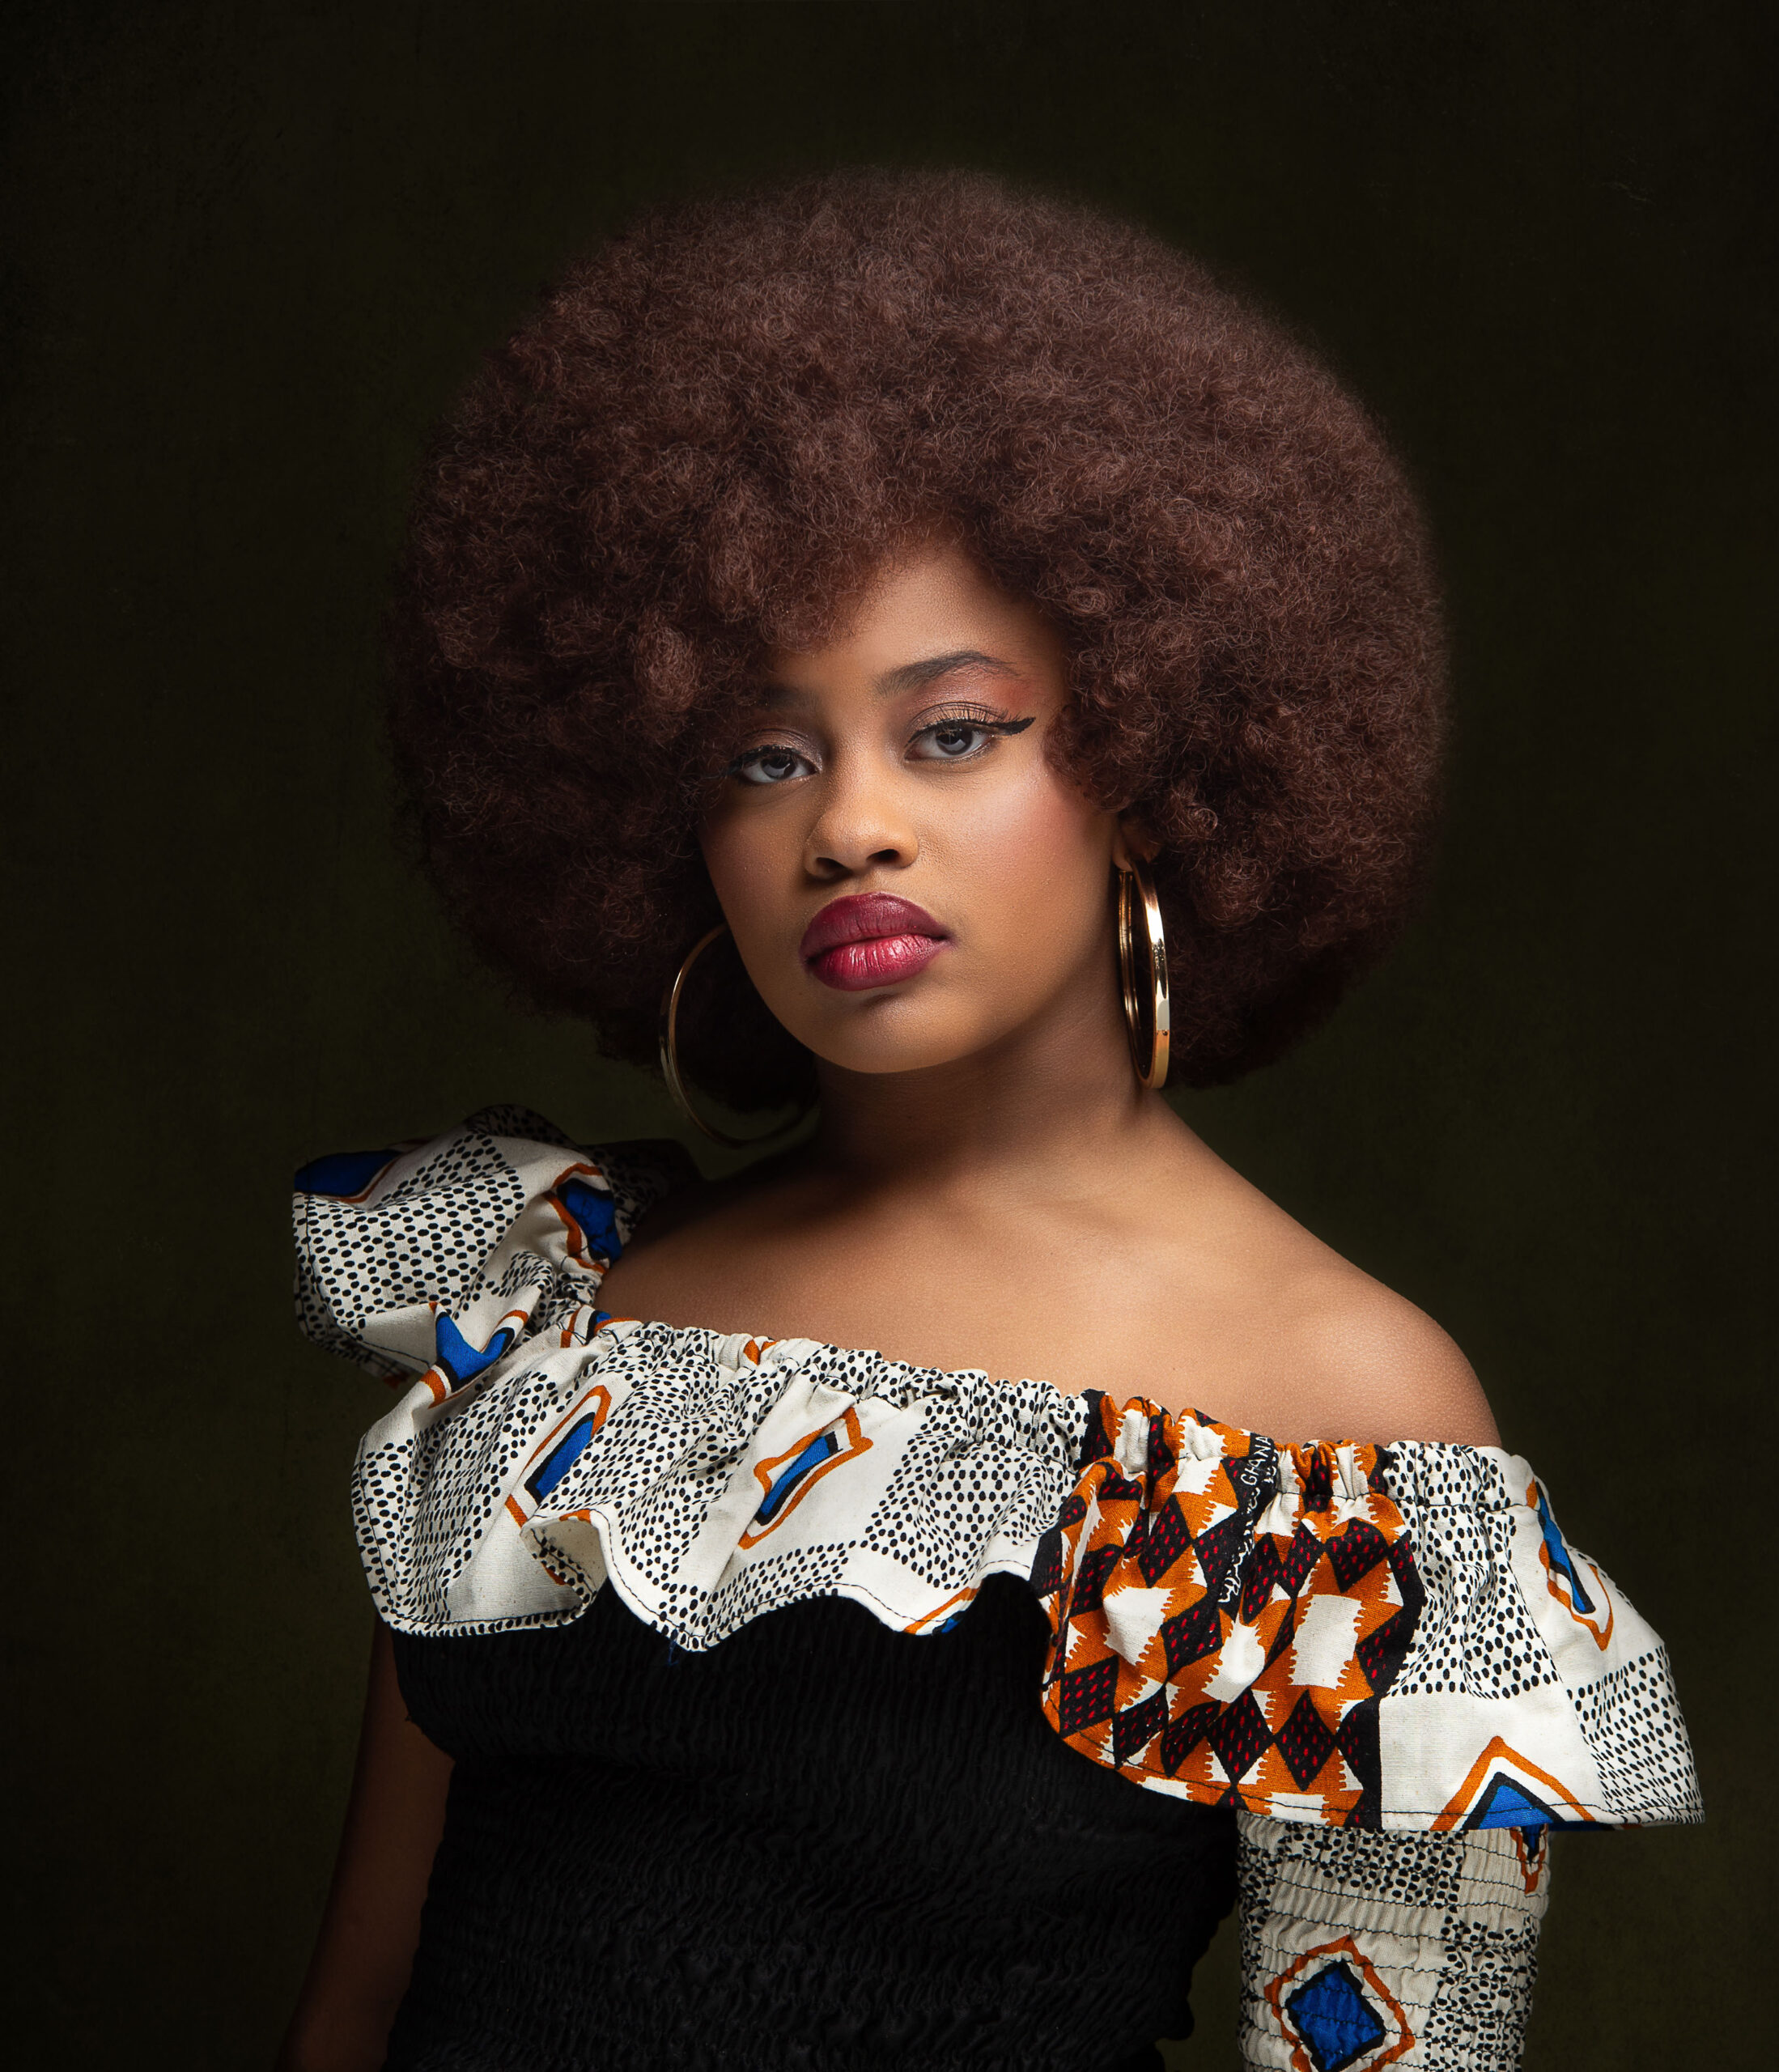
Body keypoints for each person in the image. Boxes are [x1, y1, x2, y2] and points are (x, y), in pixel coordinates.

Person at [278, 170, 1699, 2072]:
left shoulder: (1344, 1431)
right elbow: (356, 2008)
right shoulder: (549, 1308)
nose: (847, 824)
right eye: (762, 754)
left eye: (951, 729)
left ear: (1152, 755)